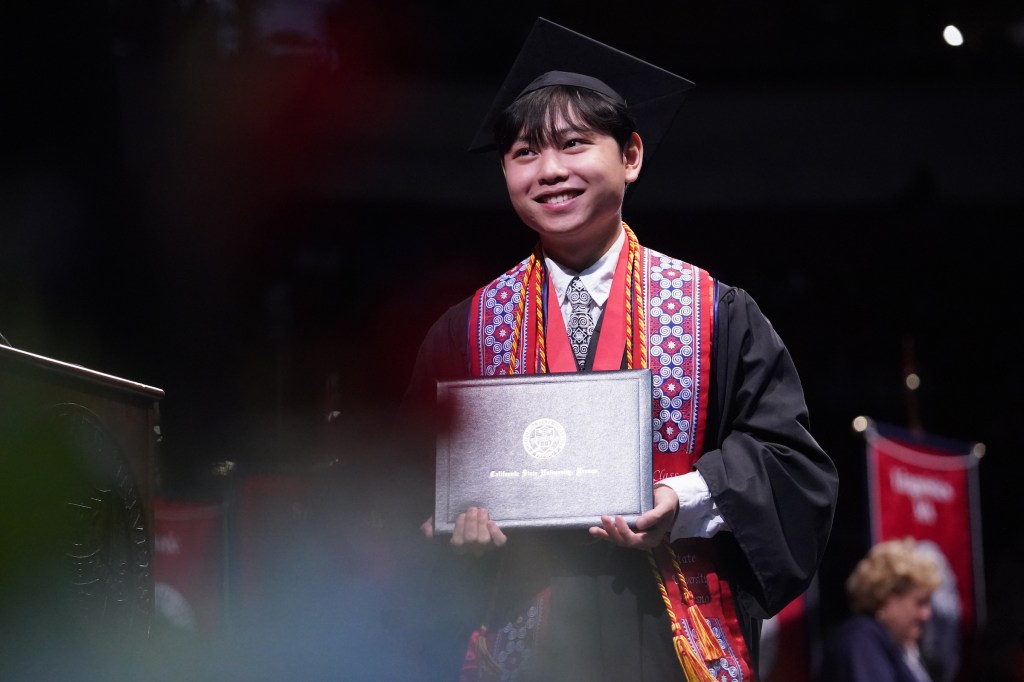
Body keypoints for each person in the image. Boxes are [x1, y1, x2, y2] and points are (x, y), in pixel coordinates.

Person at [397, 17, 839, 682]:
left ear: (630, 155)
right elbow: (398, 482)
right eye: (523, 153)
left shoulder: (714, 313)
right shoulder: (465, 332)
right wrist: (441, 532)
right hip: (523, 630)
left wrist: (682, 498)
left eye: (573, 145)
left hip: (665, 635)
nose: (549, 171)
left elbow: (790, 465)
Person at [818, 537, 943, 682]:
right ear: (887, 596)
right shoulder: (860, 643)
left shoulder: (894, 647)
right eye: (920, 603)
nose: (926, 614)